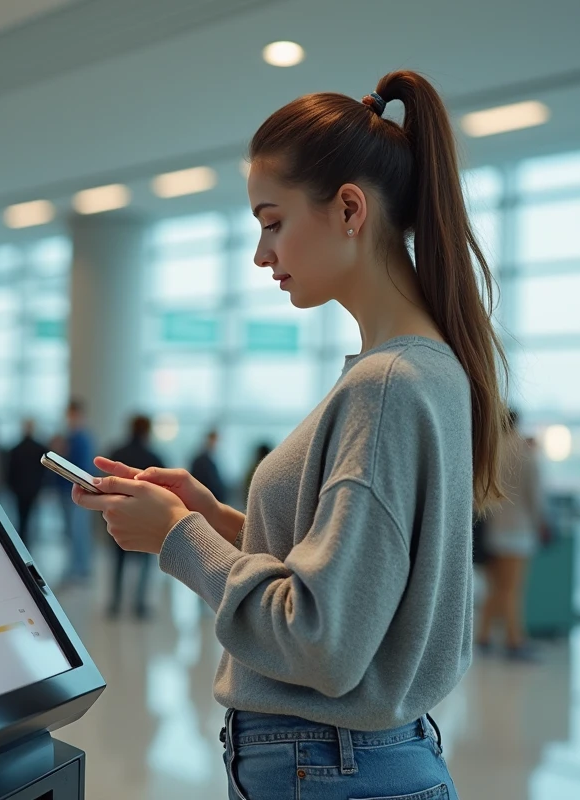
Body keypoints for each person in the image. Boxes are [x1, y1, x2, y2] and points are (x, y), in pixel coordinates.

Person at [71, 70, 506, 798]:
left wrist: (180, 537)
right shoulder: (416, 370)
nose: (261, 253)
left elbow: (322, 640)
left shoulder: (389, 385)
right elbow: (352, 583)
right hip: (351, 765)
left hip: (331, 768)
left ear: (347, 209)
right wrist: (212, 516)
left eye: (272, 221)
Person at [477, 411, 545, 660]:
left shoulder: (493, 450)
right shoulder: (525, 452)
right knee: (512, 589)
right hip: (518, 532)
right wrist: (541, 523)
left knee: (496, 588)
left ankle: (483, 636)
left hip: (493, 529)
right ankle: (514, 640)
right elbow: (535, 495)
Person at [105, 414, 166, 620]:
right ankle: (139, 605)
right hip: (145, 519)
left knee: (118, 561)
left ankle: (115, 603)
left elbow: (105, 485)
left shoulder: (116, 453)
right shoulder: (154, 459)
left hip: (119, 514)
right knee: (144, 563)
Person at [60, 399, 96, 584]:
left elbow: (83, 468)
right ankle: (77, 568)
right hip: (66, 491)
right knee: (71, 532)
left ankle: (80, 570)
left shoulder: (83, 439)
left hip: (80, 493)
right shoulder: (69, 437)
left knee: (78, 532)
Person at [6, 418, 46, 542]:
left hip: (20, 490)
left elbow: (10, 472)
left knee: (22, 519)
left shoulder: (16, 449)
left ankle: (23, 542)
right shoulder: (40, 449)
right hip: (33, 489)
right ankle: (29, 541)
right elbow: (43, 472)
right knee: (32, 519)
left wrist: (12, 487)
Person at [190, 430, 229, 504]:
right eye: (214, 441)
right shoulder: (202, 460)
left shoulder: (210, 459)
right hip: (205, 501)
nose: (216, 444)